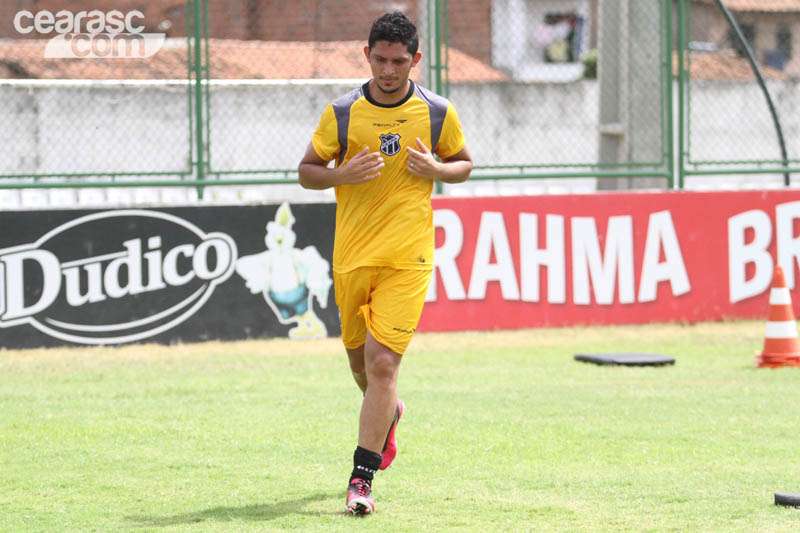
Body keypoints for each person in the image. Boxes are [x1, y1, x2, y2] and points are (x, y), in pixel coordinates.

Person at [297, 11, 472, 516]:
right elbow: (307, 171)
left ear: (415, 59)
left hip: (408, 258)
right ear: (366, 55)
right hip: (353, 258)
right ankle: (388, 413)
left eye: (399, 61)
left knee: (382, 363)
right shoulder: (343, 114)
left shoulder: (437, 112)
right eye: (380, 59)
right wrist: (342, 174)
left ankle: (360, 480)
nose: (389, 70)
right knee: (361, 368)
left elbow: (463, 162)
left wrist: (439, 168)